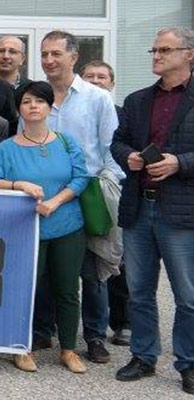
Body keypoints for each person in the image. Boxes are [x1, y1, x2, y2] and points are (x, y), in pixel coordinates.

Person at [110, 26, 194, 396]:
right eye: (154, 50)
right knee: (139, 290)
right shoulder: (137, 100)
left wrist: (180, 163)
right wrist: (127, 156)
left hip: (181, 212)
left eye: (165, 50)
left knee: (187, 296)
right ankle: (143, 356)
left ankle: (189, 363)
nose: (156, 56)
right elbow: (117, 142)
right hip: (139, 208)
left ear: (189, 54)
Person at [0, 81, 90, 374]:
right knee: (25, 289)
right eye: (27, 101)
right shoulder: (7, 148)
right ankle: (21, 347)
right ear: (19, 108)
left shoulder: (67, 142)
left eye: (40, 101)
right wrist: (18, 184)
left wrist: (55, 201)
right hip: (26, 230)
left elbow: (81, 178)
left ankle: (68, 349)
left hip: (68, 227)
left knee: (68, 289)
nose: (33, 106)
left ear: (49, 107)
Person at [34, 30, 122, 365]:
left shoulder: (96, 98)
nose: (49, 60)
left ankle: (95, 336)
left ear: (74, 57)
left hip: (88, 195)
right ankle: (44, 330)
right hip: (45, 197)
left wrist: (110, 187)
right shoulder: (36, 96)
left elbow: (111, 149)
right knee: (46, 268)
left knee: (92, 269)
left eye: (56, 54)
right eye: (44, 54)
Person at [80, 59, 131, 348]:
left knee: (115, 259)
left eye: (102, 77)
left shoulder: (124, 115)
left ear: (111, 84)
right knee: (90, 263)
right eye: (90, 76)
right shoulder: (75, 109)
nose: (96, 81)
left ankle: (123, 322)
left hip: (113, 192)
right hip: (83, 189)